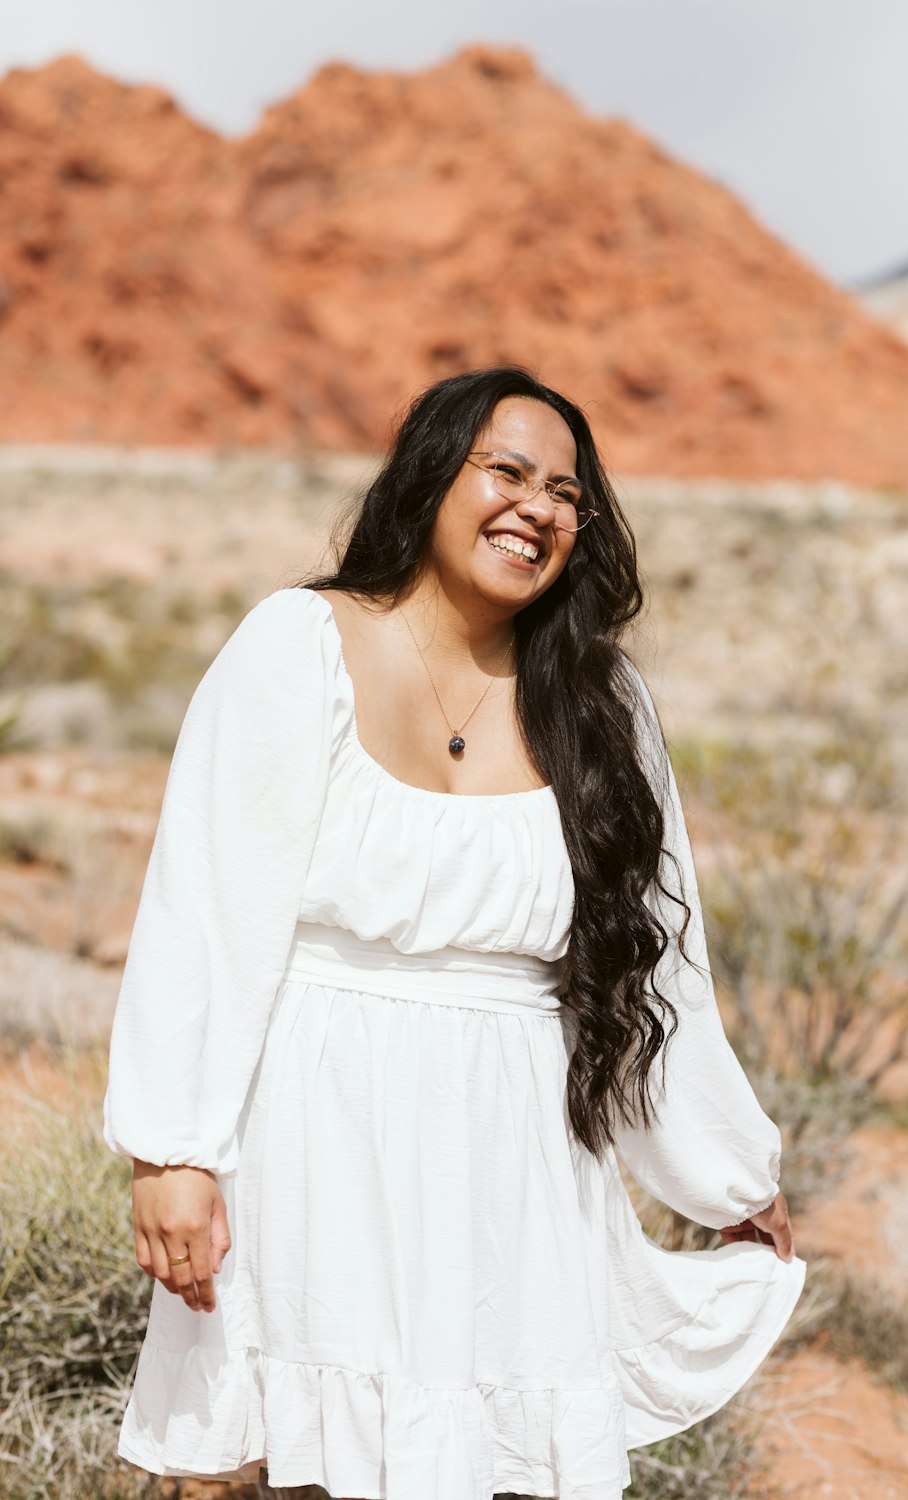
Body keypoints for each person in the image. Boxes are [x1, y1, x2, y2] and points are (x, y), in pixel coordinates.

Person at [103, 366, 805, 1500]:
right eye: (509, 472)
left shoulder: (602, 706)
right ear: (433, 478)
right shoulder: (299, 646)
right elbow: (203, 911)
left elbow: (659, 967)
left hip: (516, 1145)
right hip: (314, 1120)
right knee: (273, 1463)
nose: (538, 507)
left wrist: (728, 1175)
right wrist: (171, 1152)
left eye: (567, 493)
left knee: (491, 1460)